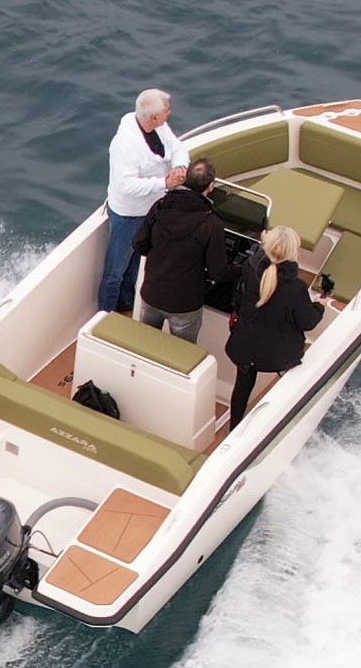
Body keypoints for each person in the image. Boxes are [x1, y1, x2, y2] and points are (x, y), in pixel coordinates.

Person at [224, 226, 343, 423]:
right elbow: (307, 322)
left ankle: (233, 427)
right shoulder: (296, 288)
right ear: (293, 252)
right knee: (290, 382)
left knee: (242, 388)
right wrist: (319, 305)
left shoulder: (249, 268)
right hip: (278, 355)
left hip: (244, 345)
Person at [98, 88, 186, 313]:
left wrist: (179, 166)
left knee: (136, 262)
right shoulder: (125, 145)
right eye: (167, 110)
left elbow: (176, 146)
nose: (170, 113)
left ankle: (126, 305)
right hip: (128, 216)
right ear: (154, 117)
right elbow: (125, 185)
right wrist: (164, 183)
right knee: (115, 272)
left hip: (150, 210)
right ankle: (105, 315)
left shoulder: (159, 127)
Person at [132, 157, 230, 341]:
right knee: (182, 350)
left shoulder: (160, 206)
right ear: (210, 186)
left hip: (152, 293)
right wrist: (241, 268)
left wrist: (161, 255)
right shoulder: (212, 223)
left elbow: (139, 244)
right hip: (184, 304)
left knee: (145, 342)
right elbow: (218, 272)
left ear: (187, 178)